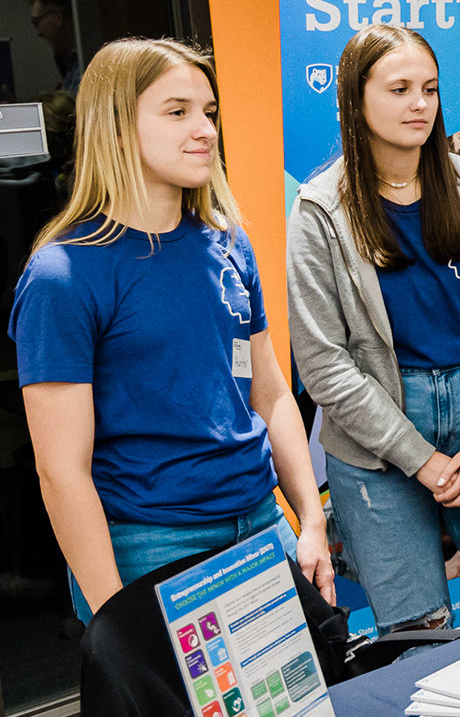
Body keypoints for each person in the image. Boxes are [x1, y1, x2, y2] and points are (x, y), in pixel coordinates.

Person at [8, 38, 334, 623]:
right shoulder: (64, 274)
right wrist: (115, 618)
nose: (205, 129)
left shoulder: (228, 241)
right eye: (177, 111)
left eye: (208, 112)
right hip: (150, 546)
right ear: (115, 127)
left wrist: (308, 519)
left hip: (262, 524)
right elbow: (61, 472)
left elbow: (270, 393)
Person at [287, 24, 460, 633]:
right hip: (375, 441)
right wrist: (421, 459)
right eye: (400, 88)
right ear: (355, 101)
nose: (419, 104)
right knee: (421, 640)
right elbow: (324, 365)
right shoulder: (318, 210)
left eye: (430, 89)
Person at [29, 0, 81, 95]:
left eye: (37, 22)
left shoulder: (88, 63)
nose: (39, 32)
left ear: (57, 17)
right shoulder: (71, 64)